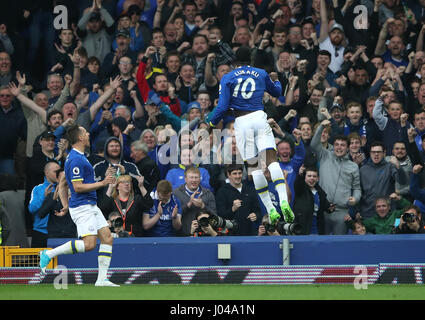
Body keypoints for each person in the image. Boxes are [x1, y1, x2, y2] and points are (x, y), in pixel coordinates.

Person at [208, 46, 294, 225]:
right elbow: (277, 93)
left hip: (242, 122)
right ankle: (284, 201)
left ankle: (270, 209)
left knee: (254, 168)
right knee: (272, 161)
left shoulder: (228, 77)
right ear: (251, 60)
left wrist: (210, 122)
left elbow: (222, 108)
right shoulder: (261, 73)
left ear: (234, 62)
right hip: (259, 117)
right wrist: (276, 81)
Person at [38, 124, 118, 287]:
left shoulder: (78, 157)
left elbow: (63, 184)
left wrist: (66, 205)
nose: (88, 134)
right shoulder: (75, 159)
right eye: (85, 132)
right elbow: (77, 187)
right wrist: (103, 183)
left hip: (88, 205)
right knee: (89, 244)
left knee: (107, 238)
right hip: (83, 206)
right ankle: (49, 254)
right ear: (80, 137)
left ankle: (101, 280)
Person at [310, 120, 362, 235]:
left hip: (342, 212)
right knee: (322, 244)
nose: (339, 147)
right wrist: (321, 128)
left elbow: (357, 188)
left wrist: (355, 199)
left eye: (343, 145)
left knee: (339, 245)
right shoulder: (325, 155)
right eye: (337, 144)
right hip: (323, 210)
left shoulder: (353, 166)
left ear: (348, 148)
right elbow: (313, 145)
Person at [215, 164, 261, 236]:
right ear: (228, 174)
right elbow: (221, 215)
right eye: (234, 173)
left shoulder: (250, 190)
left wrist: (256, 215)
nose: (238, 176)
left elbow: (258, 210)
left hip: (249, 233)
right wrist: (233, 209)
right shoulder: (222, 192)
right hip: (230, 234)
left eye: (240, 173)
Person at [173, 166, 217, 236]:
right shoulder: (176, 193)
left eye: (196, 177)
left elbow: (215, 216)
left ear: (200, 179)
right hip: (183, 236)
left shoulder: (208, 193)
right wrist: (188, 205)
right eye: (191, 177)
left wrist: (203, 206)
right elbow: (173, 216)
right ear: (185, 179)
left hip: (205, 236)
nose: (194, 180)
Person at [293, 165, 334, 235]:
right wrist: (300, 175)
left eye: (314, 176)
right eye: (309, 176)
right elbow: (297, 184)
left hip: (317, 229)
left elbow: (326, 206)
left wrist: (330, 207)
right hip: (303, 229)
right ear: (304, 178)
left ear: (318, 178)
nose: (312, 178)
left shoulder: (320, 191)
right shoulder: (301, 189)